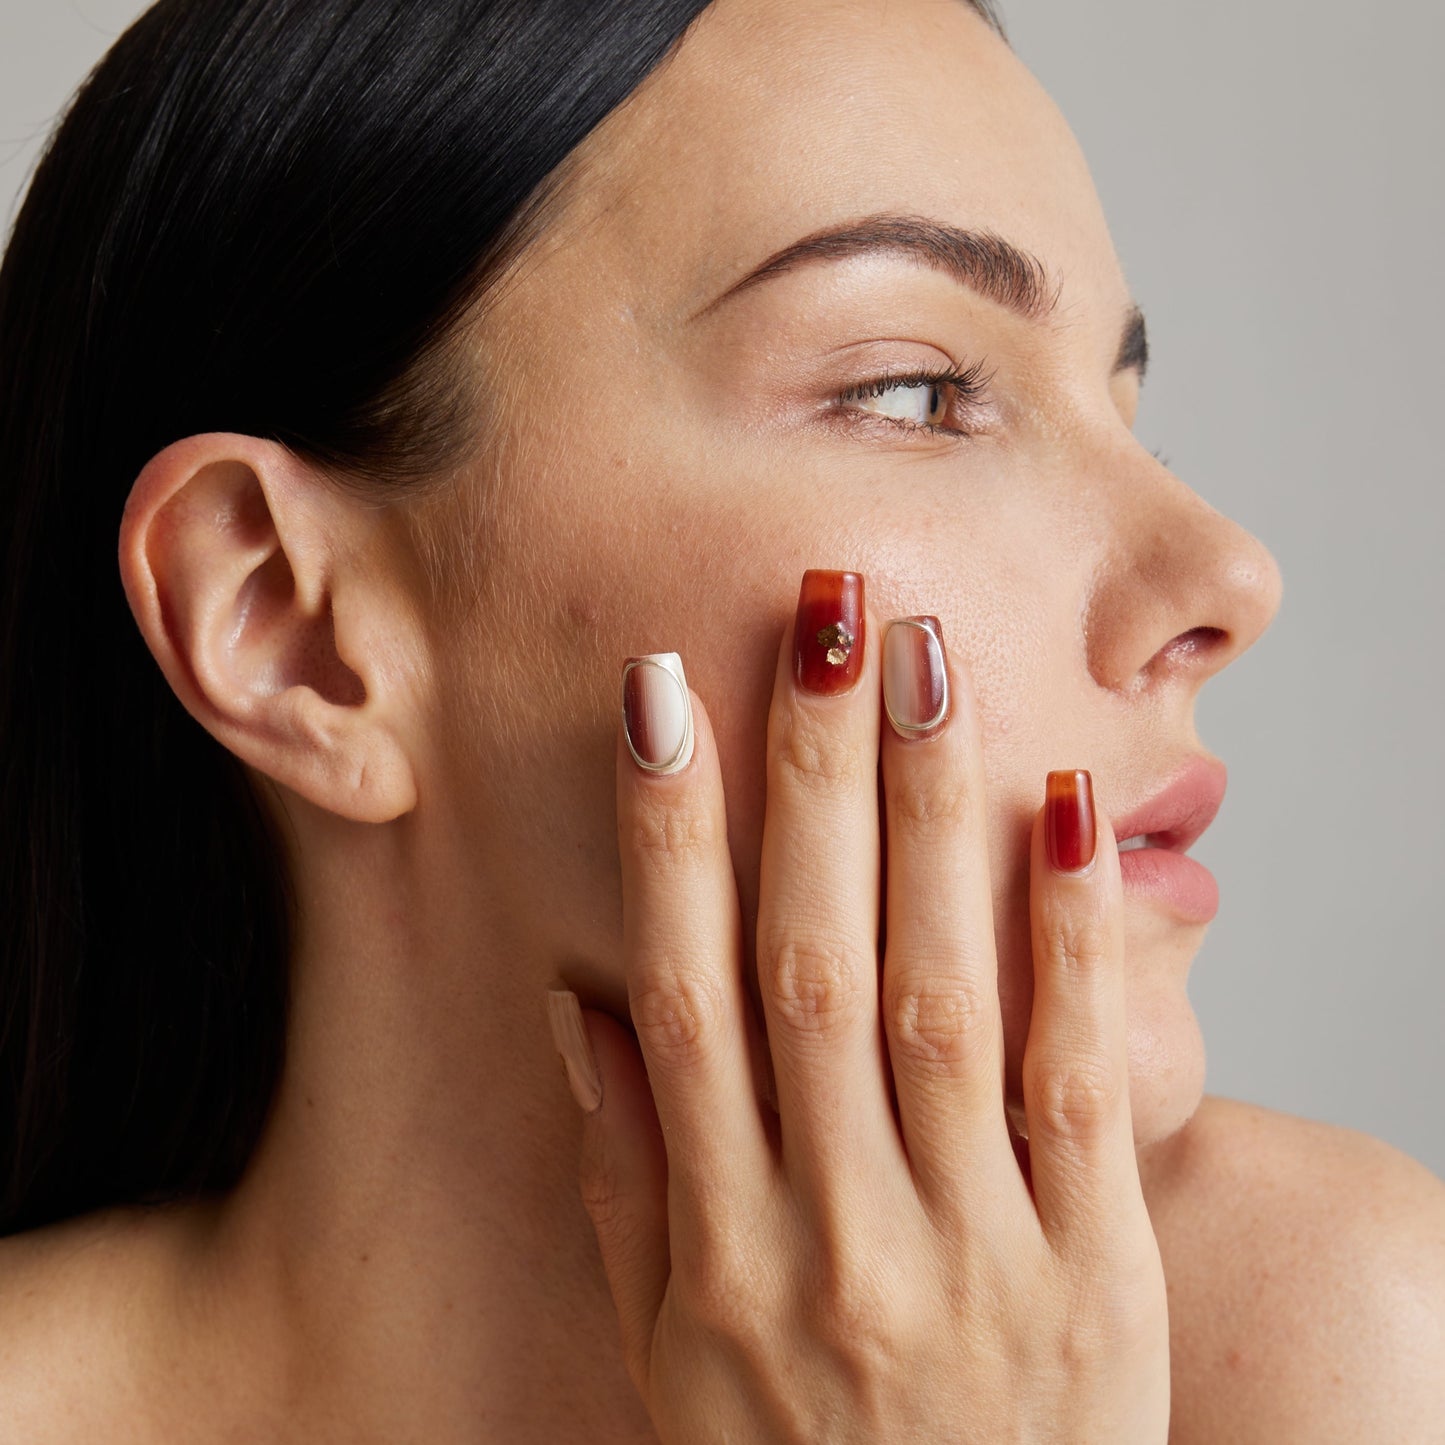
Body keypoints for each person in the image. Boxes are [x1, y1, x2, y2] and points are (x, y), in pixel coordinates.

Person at [1, 0, 1441, 1439]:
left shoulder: (1330, 1349)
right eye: (911, 390)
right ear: (289, 624)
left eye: (1128, 416)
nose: (1225, 578)